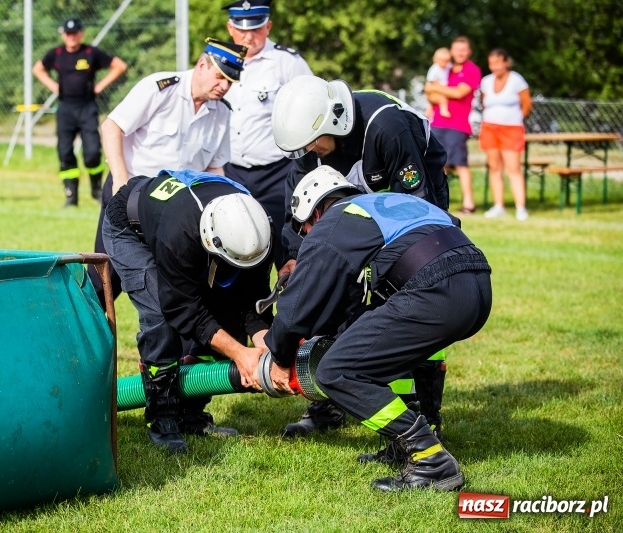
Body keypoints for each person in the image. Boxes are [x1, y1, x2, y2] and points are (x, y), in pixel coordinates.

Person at [258, 166, 492, 491]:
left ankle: (431, 459)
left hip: (436, 291)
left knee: (336, 373)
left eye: (304, 229)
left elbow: (295, 310)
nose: (306, 237)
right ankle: (402, 447)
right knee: (378, 355)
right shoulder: (382, 206)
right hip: (477, 285)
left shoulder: (334, 222)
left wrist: (281, 359)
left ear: (316, 212)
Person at [270, 75, 453, 439]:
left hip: (415, 207)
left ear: (333, 122)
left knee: (402, 298)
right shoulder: (311, 147)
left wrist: (380, 262)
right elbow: (299, 210)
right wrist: (295, 260)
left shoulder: (387, 127)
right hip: (356, 211)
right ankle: (327, 403)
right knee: (325, 287)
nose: (309, 153)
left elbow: (417, 205)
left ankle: (422, 411)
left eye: (312, 144)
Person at [103, 169, 273, 454]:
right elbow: (182, 310)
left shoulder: (257, 232)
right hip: (129, 226)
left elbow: (252, 300)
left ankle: (191, 414)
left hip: (182, 226)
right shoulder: (179, 237)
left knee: (227, 317)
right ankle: (163, 418)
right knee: (160, 317)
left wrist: (267, 349)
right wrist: (240, 354)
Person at [90, 38, 247, 307]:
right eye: (220, 77)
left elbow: (214, 169)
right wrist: (119, 178)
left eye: (230, 82)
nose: (224, 86)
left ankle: (184, 349)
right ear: (201, 66)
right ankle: (84, 342)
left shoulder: (221, 112)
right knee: (104, 279)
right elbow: (111, 127)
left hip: (174, 209)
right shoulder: (160, 88)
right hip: (129, 195)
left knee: (179, 282)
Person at [221, 0, 313, 269]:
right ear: (230, 28)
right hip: (231, 171)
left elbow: (312, 110)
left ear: (268, 26)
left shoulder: (287, 62)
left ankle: (292, 308)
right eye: (240, 29)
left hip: (278, 172)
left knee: (287, 251)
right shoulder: (220, 60)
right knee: (237, 246)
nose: (248, 36)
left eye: (257, 29)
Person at [33, 17, 127, 206]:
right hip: (66, 108)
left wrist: (100, 86)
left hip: (87, 107)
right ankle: (71, 196)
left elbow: (120, 65)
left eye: (75, 33)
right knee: (65, 151)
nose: (71, 37)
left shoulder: (91, 52)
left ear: (81, 33)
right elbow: (38, 69)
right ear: (63, 35)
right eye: (68, 34)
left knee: (92, 152)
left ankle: (96, 189)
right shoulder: (57, 53)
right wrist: (54, 86)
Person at [425, 36, 482, 215]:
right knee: (437, 164)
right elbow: (429, 93)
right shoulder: (445, 68)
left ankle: (469, 204)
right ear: (451, 50)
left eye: (463, 50)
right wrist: (431, 91)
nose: (460, 53)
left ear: (469, 51)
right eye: (457, 49)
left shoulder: (471, 70)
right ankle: (438, 201)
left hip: (458, 124)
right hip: (437, 122)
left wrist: (434, 87)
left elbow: (458, 93)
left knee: (460, 164)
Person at [479, 48, 533, 221]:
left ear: (506, 62)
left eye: (497, 62)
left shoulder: (517, 80)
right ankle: (499, 205)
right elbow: (484, 102)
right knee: (494, 167)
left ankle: (520, 207)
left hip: (511, 129)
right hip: (489, 128)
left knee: (513, 168)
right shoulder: (486, 81)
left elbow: (527, 104)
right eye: (491, 63)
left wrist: (516, 119)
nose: (494, 66)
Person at [425, 47, 452, 120]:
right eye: (442, 61)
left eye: (446, 61)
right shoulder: (434, 69)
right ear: (436, 60)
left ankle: (429, 110)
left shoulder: (448, 66)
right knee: (442, 99)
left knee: (435, 100)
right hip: (435, 87)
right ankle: (443, 110)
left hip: (441, 87)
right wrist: (441, 87)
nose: (444, 63)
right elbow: (432, 81)